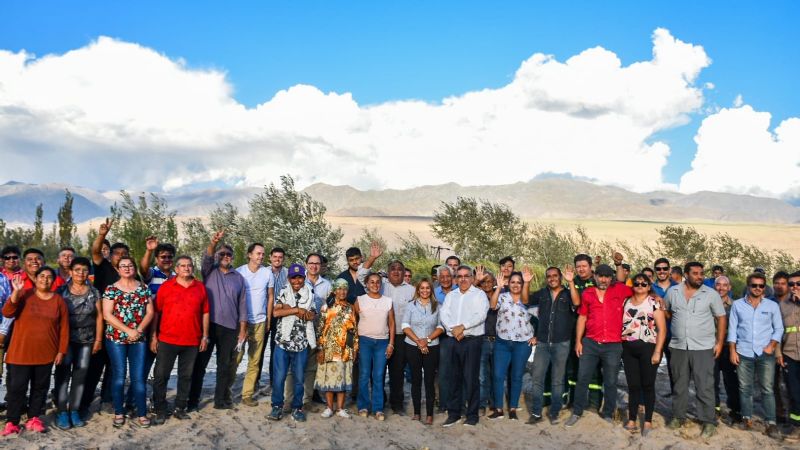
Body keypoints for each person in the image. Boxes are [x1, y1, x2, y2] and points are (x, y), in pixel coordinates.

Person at [1, 268, 69, 436]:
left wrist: (61, 351)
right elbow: (7, 312)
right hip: (20, 352)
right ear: (36, 278)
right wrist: (16, 292)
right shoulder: (24, 294)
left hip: (46, 353)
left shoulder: (58, 301)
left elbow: (64, 328)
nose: (45, 280)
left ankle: (34, 418)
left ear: (53, 281)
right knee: (17, 388)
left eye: (49, 277)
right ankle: (12, 421)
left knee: (40, 387)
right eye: (42, 276)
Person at [565, 256, 630, 428]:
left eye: (607, 276)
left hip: (613, 344)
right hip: (591, 342)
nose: (603, 279)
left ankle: (608, 413)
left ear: (611, 278)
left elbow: (640, 291)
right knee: (582, 378)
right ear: (595, 276)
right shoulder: (588, 293)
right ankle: (577, 412)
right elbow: (582, 317)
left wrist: (656, 296)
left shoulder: (620, 290)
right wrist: (578, 341)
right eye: (600, 276)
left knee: (610, 381)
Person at [664, 261, 727, 438]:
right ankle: (678, 416)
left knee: (704, 385)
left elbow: (721, 318)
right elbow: (667, 312)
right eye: (696, 273)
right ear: (686, 274)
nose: (700, 277)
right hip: (678, 346)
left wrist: (719, 342)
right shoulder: (673, 292)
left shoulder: (711, 294)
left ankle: (708, 421)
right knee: (679, 384)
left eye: (701, 273)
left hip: (703, 347)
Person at [189, 231, 247, 410]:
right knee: (200, 365)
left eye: (228, 254)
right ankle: (192, 401)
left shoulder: (238, 278)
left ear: (232, 258)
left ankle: (219, 400)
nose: (225, 257)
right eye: (221, 254)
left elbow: (243, 305)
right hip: (208, 326)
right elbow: (206, 257)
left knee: (224, 366)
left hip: (230, 328)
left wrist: (243, 330)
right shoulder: (209, 271)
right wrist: (213, 242)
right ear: (216, 256)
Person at [151, 256, 209, 425]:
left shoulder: (200, 288)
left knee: (186, 376)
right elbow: (156, 312)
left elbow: (205, 312)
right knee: (161, 376)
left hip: (192, 340)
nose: (186, 268)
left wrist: (205, 336)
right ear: (176, 269)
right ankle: (160, 409)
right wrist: (153, 336)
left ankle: (180, 408)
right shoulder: (166, 287)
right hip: (167, 339)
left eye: (189, 265)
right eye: (182, 266)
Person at [83, 219, 131, 416]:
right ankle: (84, 404)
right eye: (117, 253)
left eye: (124, 254)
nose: (121, 257)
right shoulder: (103, 267)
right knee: (94, 366)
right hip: (101, 325)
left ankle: (107, 400)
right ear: (110, 255)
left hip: (120, 328)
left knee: (114, 367)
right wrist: (102, 234)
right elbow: (95, 251)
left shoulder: (127, 273)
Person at [728, 271, 783, 439]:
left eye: (761, 285)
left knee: (767, 389)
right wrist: (732, 350)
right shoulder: (737, 305)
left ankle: (771, 423)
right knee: (745, 389)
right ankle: (746, 419)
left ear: (764, 287)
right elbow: (732, 330)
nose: (758, 288)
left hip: (765, 353)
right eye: (754, 285)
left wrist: (771, 346)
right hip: (743, 352)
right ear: (748, 286)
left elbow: (779, 328)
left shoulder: (771, 306)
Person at [103, 256, 154, 428]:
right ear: (117, 270)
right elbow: (107, 314)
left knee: (138, 377)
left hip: (138, 339)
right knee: (119, 376)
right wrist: (128, 331)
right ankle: (118, 411)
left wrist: (138, 331)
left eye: (130, 265)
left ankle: (141, 413)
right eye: (123, 266)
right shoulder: (111, 289)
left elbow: (150, 312)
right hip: (116, 339)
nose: (127, 268)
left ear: (134, 268)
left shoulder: (143, 288)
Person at [53, 257, 103, 429]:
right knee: (63, 376)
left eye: (84, 270)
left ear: (88, 272)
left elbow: (99, 317)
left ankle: (74, 410)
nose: (81, 273)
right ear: (70, 271)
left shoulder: (94, 292)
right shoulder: (61, 291)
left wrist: (98, 339)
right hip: (65, 341)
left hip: (86, 341)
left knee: (80, 377)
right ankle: (61, 411)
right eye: (77, 270)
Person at [440, 265, 489, 427]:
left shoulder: (479, 294)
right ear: (456, 278)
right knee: (454, 378)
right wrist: (454, 329)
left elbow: (481, 315)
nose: (462, 279)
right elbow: (444, 314)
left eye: (466, 276)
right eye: (459, 276)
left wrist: (463, 327)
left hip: (472, 341)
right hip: (453, 340)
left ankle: (472, 415)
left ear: (471, 277)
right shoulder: (451, 295)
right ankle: (454, 413)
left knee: (471, 379)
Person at [528, 266, 578, 425]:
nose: (552, 278)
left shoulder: (568, 293)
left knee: (557, 380)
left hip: (562, 344)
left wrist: (571, 282)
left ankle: (554, 412)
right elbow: (524, 300)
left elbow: (577, 302)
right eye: (548, 276)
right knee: (537, 378)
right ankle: (536, 413)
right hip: (542, 343)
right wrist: (527, 283)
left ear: (560, 277)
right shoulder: (542, 293)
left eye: (555, 275)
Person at [267, 264, 317, 423]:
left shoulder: (310, 294)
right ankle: (276, 406)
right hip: (283, 342)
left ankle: (297, 408)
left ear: (304, 278)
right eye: (293, 277)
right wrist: (296, 310)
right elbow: (276, 312)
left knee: (299, 378)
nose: (297, 280)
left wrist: (307, 313)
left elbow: (312, 315)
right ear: (289, 279)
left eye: (300, 277)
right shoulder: (283, 292)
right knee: (279, 377)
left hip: (301, 343)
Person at [620, 273, 667, 437]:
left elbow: (662, 329)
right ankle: (632, 419)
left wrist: (657, 351)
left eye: (643, 284)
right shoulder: (626, 301)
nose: (640, 286)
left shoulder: (655, 302)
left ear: (649, 286)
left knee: (647, 385)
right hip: (628, 348)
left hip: (648, 347)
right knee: (633, 386)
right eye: (637, 283)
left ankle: (647, 420)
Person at [285, 253, 332, 407]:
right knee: (293, 367)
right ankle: (289, 400)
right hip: (297, 330)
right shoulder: (296, 280)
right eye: (311, 263)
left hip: (317, 329)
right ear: (306, 264)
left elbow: (330, 309)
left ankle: (307, 400)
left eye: (317, 263)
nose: (314, 266)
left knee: (311, 367)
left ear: (321, 265)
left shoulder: (327, 285)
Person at [488, 268, 534, 421]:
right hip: (503, 342)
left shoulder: (528, 299)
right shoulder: (502, 297)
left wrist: (537, 336)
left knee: (516, 376)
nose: (515, 285)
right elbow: (492, 306)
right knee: (497, 375)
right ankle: (499, 409)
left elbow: (542, 318)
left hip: (522, 344)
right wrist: (499, 287)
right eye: (513, 282)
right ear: (509, 283)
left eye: (519, 282)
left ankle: (513, 408)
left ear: (522, 284)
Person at [137, 236, 176, 407]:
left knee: (162, 369)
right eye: (163, 257)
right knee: (144, 365)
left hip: (170, 327)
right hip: (150, 325)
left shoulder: (177, 277)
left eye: (169, 257)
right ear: (157, 259)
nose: (166, 260)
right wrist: (149, 250)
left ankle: (157, 400)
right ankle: (135, 400)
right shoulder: (152, 274)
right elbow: (143, 269)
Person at [234, 243, 272, 407]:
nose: (261, 257)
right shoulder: (239, 272)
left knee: (255, 360)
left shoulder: (267, 272)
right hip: (241, 322)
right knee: (236, 357)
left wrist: (269, 318)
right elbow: (234, 297)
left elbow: (270, 296)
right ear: (249, 255)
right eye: (258, 254)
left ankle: (247, 394)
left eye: (263, 254)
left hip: (260, 321)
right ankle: (225, 391)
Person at [402, 278, 444, 425]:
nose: (425, 290)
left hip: (432, 346)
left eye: (427, 288)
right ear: (418, 290)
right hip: (413, 345)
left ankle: (430, 414)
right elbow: (405, 325)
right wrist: (419, 341)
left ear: (431, 290)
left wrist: (427, 340)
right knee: (416, 380)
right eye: (422, 288)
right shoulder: (410, 306)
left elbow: (440, 327)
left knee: (429, 381)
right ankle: (417, 412)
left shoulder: (437, 306)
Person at [316, 278, 358, 419]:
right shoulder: (326, 307)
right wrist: (320, 348)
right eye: (339, 288)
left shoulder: (351, 308)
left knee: (343, 380)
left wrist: (355, 348)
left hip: (345, 349)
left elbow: (354, 330)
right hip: (328, 349)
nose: (342, 291)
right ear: (334, 290)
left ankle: (340, 408)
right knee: (329, 379)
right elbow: (320, 329)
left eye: (344, 289)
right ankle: (329, 407)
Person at [354, 272, 394, 420]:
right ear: (367, 284)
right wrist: (356, 343)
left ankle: (378, 408)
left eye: (378, 282)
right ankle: (363, 406)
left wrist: (391, 343)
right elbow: (353, 320)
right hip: (365, 341)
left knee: (378, 375)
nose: (375, 284)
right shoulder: (360, 300)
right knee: (364, 375)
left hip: (382, 342)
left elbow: (391, 323)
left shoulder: (388, 301)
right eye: (372, 282)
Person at [382, 260, 415, 416]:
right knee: (379, 371)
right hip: (381, 335)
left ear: (404, 273)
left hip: (402, 336)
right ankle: (379, 401)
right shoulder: (380, 285)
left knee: (397, 372)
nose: (396, 271)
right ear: (388, 272)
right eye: (392, 269)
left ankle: (397, 404)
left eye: (399, 269)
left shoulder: (411, 291)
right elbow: (362, 277)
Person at [713, 276, 740, 422]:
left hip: (729, 348)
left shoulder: (735, 305)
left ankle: (735, 411)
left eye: (725, 285)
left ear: (729, 288)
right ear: (714, 286)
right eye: (718, 284)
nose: (721, 288)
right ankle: (714, 409)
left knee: (731, 381)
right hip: (711, 347)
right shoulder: (708, 304)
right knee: (712, 380)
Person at [779, 271, 800, 441]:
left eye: (798, 284)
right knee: (793, 391)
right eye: (791, 284)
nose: (794, 287)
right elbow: (778, 331)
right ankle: (796, 426)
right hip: (789, 354)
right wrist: (779, 353)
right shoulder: (783, 304)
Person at [653, 258, 677, 396]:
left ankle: (676, 395)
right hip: (655, 334)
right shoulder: (650, 287)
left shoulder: (679, 287)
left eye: (664, 268)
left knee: (674, 368)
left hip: (674, 334)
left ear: (669, 269)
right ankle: (645, 398)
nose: (662, 271)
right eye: (658, 269)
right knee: (651, 366)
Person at [264, 247, 287, 388]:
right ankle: (254, 383)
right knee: (259, 351)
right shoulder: (264, 272)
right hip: (265, 314)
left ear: (283, 259)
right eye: (275, 257)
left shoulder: (287, 273)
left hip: (280, 316)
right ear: (270, 258)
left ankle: (274, 382)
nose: (277, 259)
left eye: (280, 257)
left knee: (276, 349)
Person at [475, 268, 497, 415]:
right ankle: (482, 403)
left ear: (494, 282)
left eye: (489, 281)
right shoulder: (476, 297)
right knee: (482, 375)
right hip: (482, 340)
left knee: (497, 374)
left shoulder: (500, 296)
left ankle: (495, 403)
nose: (487, 284)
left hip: (498, 341)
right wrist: (476, 280)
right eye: (484, 282)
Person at [435, 265, 457, 413]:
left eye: (447, 276)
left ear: (452, 277)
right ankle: (443, 403)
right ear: (437, 278)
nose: (445, 279)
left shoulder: (460, 291)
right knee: (443, 371)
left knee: (458, 370)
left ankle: (457, 402)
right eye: (441, 277)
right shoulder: (434, 293)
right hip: (440, 336)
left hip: (458, 334)